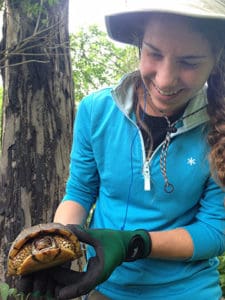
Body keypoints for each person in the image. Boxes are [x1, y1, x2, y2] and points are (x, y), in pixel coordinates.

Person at [17, 0, 225, 299]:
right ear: (139, 44)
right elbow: (79, 192)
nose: (165, 80)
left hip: (188, 290)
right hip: (104, 286)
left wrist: (135, 243)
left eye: (190, 62)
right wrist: (56, 246)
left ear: (216, 59)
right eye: (154, 53)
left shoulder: (218, 128)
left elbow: (215, 232)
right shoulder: (97, 111)